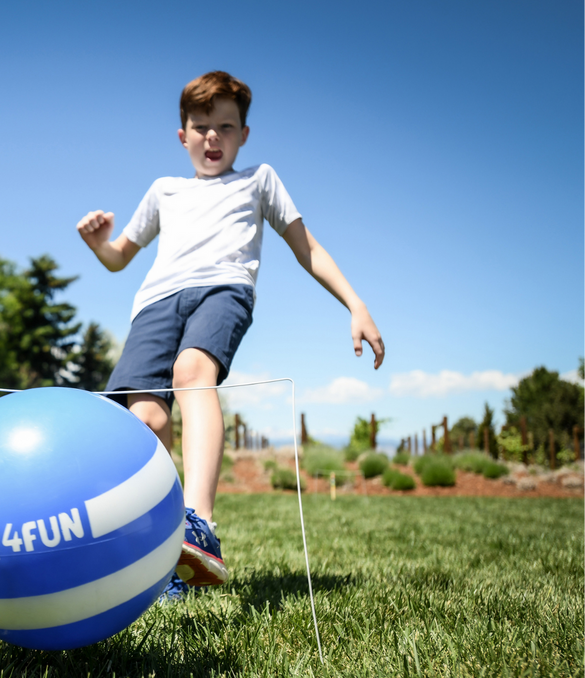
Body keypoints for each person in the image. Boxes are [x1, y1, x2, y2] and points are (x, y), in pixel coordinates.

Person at [76, 71, 385, 599]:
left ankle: (200, 523)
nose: (212, 137)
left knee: (192, 372)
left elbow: (306, 247)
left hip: (223, 289)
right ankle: (167, 548)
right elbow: (119, 258)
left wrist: (355, 304)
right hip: (155, 303)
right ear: (183, 136)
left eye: (226, 126)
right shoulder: (164, 191)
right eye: (201, 126)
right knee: (145, 417)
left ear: (244, 133)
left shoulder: (259, 180)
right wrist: (98, 243)